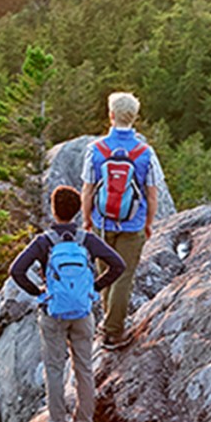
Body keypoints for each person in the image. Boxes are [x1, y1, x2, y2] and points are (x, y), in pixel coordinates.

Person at [8, 184, 127, 422]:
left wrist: (39, 292)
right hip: (83, 313)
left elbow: (16, 271)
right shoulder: (88, 239)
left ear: (54, 210)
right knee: (84, 368)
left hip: (53, 312)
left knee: (54, 369)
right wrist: (93, 288)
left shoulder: (44, 242)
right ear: (76, 211)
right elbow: (118, 265)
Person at [80, 91, 159, 348]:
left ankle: (108, 325)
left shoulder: (96, 149)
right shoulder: (144, 152)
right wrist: (148, 223)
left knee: (106, 275)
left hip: (102, 223)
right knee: (123, 276)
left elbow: (88, 188)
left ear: (111, 115)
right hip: (132, 224)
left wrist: (86, 221)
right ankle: (113, 331)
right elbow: (152, 192)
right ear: (134, 118)